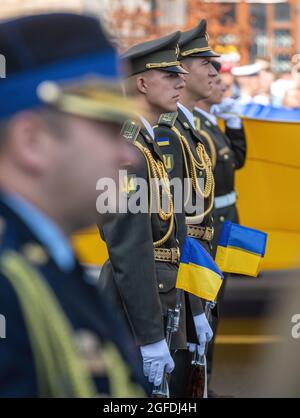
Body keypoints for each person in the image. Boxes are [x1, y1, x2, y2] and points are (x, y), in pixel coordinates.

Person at [0, 13, 148, 397]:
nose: (128, 155)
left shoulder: (45, 258)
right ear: (31, 141)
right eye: (109, 129)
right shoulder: (11, 278)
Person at [99, 31, 207, 396]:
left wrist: (192, 306)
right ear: (142, 83)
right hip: (136, 311)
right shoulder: (127, 153)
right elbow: (128, 250)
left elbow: (175, 238)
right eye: (170, 76)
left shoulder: (149, 145)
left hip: (162, 302)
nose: (181, 82)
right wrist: (148, 338)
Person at [154, 19, 218, 397]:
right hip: (178, 282)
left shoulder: (191, 130)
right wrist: (193, 304)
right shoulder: (167, 134)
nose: (214, 71)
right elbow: (174, 228)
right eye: (205, 63)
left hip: (198, 271)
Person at [194, 61, 247, 388]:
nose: (221, 85)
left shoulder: (211, 123)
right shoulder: (197, 128)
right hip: (211, 224)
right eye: (212, 79)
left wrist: (235, 124)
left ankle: (204, 379)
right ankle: (200, 381)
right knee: (206, 304)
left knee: (217, 303)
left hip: (227, 220)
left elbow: (235, 160)